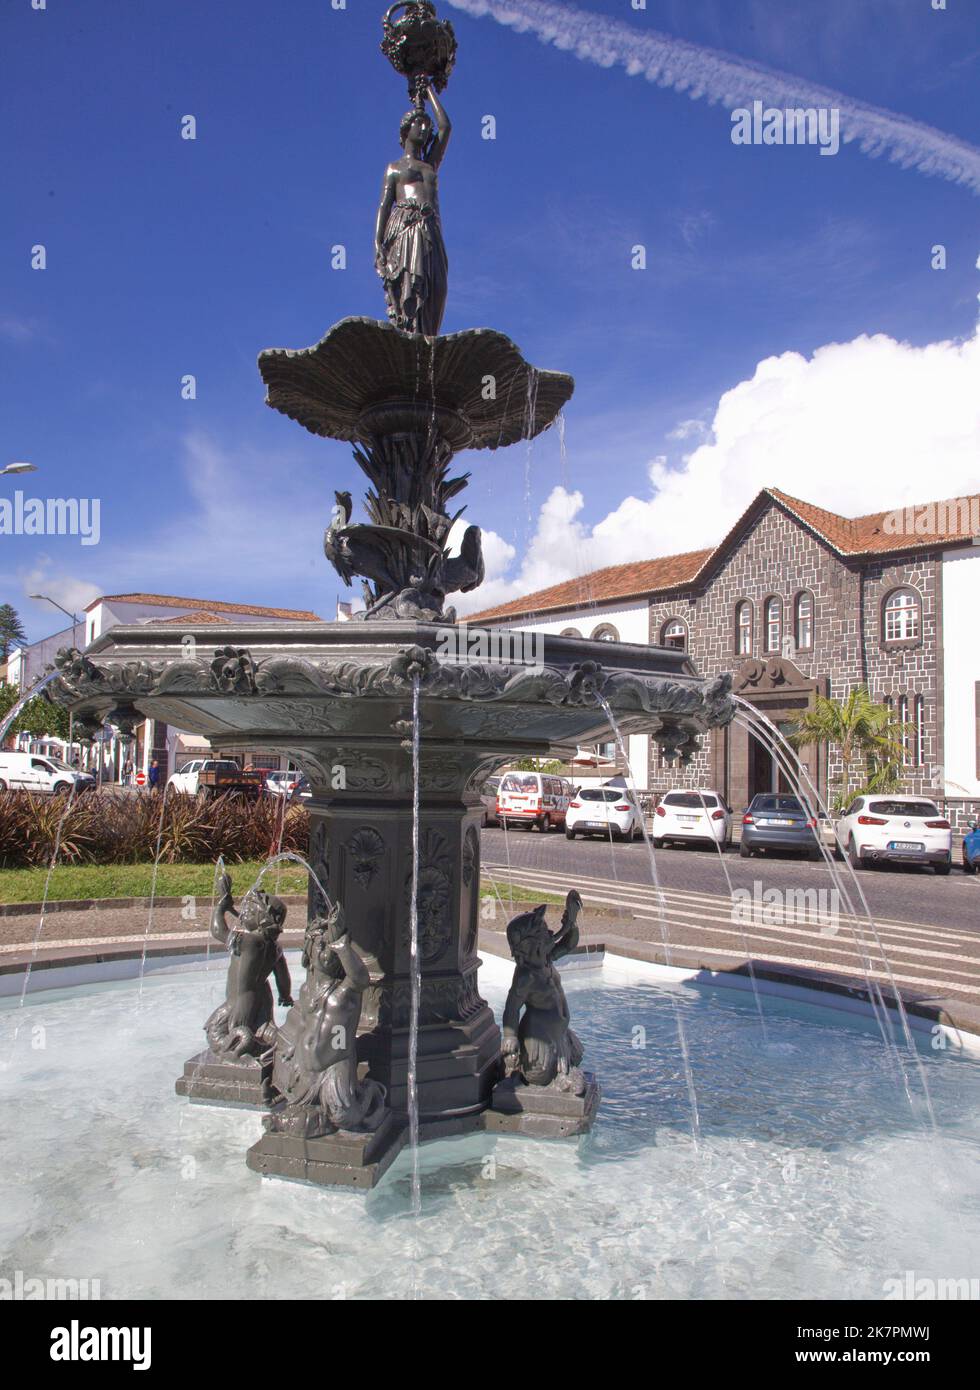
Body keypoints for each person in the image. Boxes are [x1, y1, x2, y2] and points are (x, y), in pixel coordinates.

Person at [374, 84, 451, 336]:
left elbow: (445, 126)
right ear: (406, 129)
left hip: (431, 231)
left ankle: (429, 345)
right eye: (419, 123)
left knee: (437, 289)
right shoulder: (394, 168)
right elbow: (385, 205)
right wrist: (378, 242)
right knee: (410, 290)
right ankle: (411, 342)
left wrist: (427, 89)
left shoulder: (430, 163)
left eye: (426, 125)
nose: (425, 127)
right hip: (405, 229)